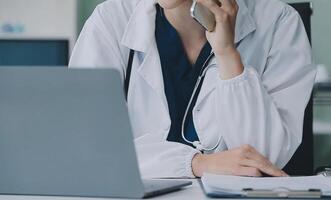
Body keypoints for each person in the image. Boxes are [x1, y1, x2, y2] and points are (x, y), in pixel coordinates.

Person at [69, 0, 316, 178]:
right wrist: (197, 163)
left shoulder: (279, 22)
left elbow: (262, 161)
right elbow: (87, 145)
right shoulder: (110, 20)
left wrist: (227, 54)